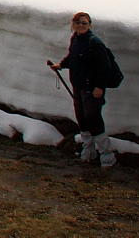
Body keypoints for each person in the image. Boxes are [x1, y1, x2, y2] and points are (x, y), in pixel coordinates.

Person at [46, 11, 115, 168]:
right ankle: (88, 153)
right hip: (79, 87)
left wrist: (99, 87)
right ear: (73, 25)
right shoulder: (76, 39)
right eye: (78, 23)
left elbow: (105, 67)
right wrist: (61, 65)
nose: (81, 26)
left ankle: (107, 157)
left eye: (84, 23)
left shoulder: (94, 43)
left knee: (93, 118)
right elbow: (73, 57)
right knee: (82, 119)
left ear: (89, 25)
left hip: (92, 88)